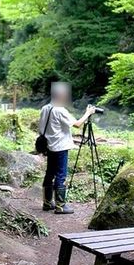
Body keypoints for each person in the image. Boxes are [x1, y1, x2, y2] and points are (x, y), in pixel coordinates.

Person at [37, 82, 96, 214]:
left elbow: (41, 127)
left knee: (49, 173)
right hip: (60, 147)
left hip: (49, 145)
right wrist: (88, 113)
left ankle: (47, 202)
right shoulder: (60, 110)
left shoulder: (45, 108)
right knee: (61, 175)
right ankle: (60, 205)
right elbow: (77, 124)